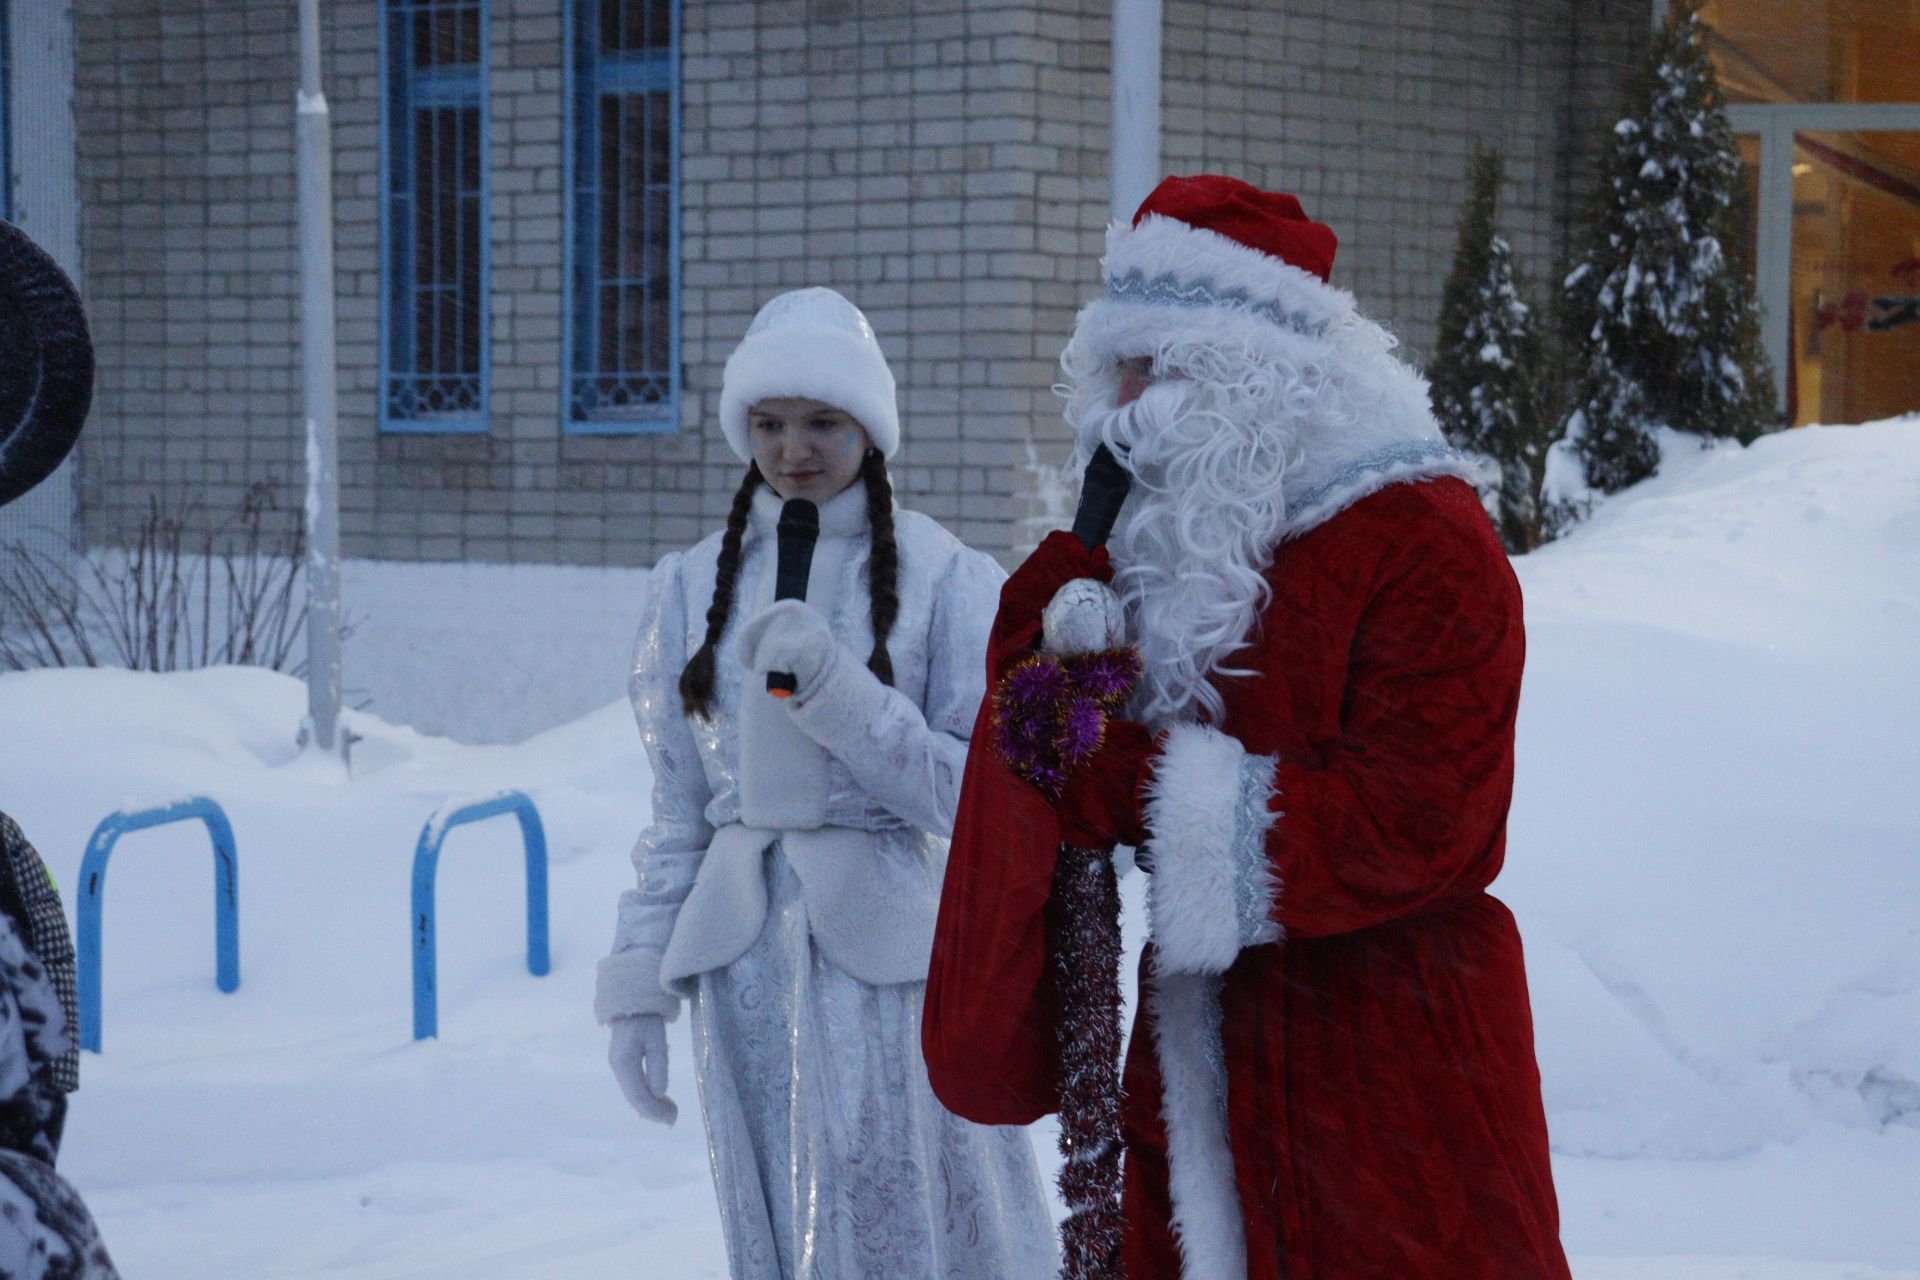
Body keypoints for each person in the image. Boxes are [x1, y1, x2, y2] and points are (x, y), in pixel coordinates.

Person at [924, 176, 1573, 1280]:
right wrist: (1052, 624)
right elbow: (1054, 748)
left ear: (1251, 372)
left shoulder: (1424, 538)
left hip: (1389, 1085)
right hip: (1194, 1078)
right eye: (1112, 369)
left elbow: (1424, 822)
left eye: (1154, 367)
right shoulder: (1195, 539)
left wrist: (1117, 772)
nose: (1121, 406)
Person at [595, 288, 1056, 1279]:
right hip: (745, 969)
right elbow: (680, 810)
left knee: (909, 1216)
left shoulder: (944, 576)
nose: (793, 448)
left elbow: (974, 798)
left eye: (821, 421)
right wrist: (640, 988)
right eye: (768, 423)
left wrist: (846, 698)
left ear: (869, 428)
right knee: (779, 1230)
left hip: (889, 969)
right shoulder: (688, 585)